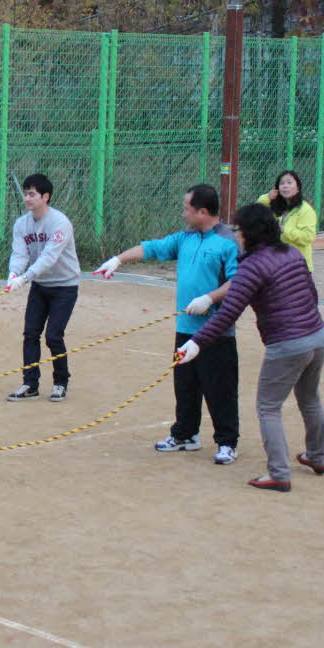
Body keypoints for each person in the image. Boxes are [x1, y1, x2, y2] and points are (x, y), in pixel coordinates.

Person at [178, 203, 324, 492]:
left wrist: (196, 342)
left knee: (268, 406)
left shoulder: (252, 266)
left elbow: (228, 314)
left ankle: (279, 473)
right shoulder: (292, 253)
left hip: (287, 343)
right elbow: (312, 294)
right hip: (318, 335)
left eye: (238, 229)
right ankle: (317, 456)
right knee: (309, 398)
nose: (235, 235)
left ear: (249, 233)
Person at [92, 184, 241, 466]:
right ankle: (186, 434)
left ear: (203, 211)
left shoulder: (228, 242)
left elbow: (239, 281)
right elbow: (151, 247)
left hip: (215, 331)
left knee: (220, 388)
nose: (183, 213)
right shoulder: (185, 238)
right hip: (185, 327)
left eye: (187, 208)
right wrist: (118, 259)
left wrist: (210, 298)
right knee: (185, 385)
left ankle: (226, 442)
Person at [4, 173, 82, 403]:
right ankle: (30, 384)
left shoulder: (60, 223)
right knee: (30, 334)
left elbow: (49, 257)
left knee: (54, 336)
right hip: (40, 287)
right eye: (25, 193)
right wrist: (13, 273)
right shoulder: (22, 224)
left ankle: (60, 382)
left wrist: (26, 277)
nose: (27, 198)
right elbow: (20, 253)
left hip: (64, 286)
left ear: (45, 197)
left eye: (32, 194)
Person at [258, 170, 317, 271]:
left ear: (298, 188)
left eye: (289, 182)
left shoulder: (305, 210)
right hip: (276, 262)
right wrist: (268, 197)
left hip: (297, 264)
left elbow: (308, 237)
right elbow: (257, 210)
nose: (285, 186)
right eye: (282, 183)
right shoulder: (276, 207)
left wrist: (284, 230)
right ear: (277, 188)